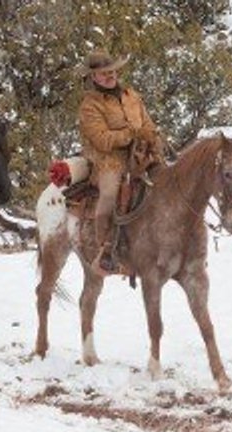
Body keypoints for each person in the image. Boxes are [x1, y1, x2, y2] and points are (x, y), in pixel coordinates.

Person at [78, 49, 162, 274]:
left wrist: (151, 137)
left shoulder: (131, 95)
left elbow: (147, 124)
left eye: (113, 71)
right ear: (93, 77)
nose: (110, 75)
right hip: (108, 159)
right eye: (104, 73)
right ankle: (105, 250)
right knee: (109, 193)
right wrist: (130, 134)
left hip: (140, 153)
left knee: (169, 177)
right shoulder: (90, 105)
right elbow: (102, 140)